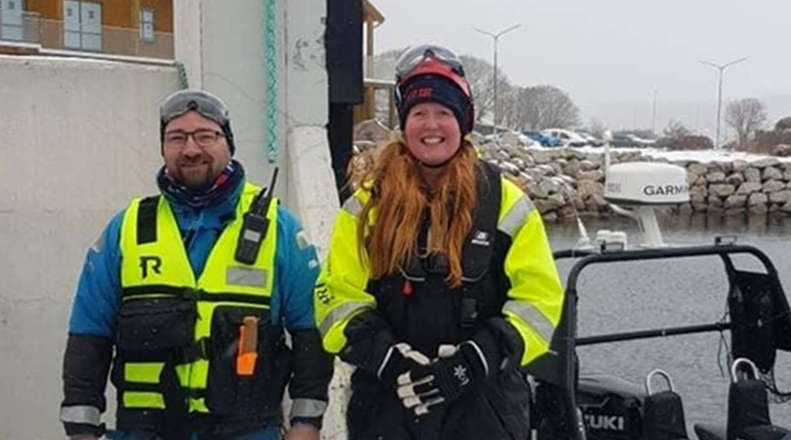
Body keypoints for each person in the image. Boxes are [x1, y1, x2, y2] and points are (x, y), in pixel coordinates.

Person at [314, 44, 564, 440]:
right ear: (403, 123)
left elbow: (540, 302)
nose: (431, 125)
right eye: (419, 113)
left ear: (464, 122)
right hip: (388, 407)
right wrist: (387, 360)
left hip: (485, 411)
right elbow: (337, 296)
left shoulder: (506, 203)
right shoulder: (365, 207)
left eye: (444, 113)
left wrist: (476, 359)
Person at [60, 90, 334, 440]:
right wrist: (82, 430)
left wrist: (305, 424)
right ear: (163, 148)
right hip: (145, 431)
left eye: (206, 135)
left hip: (248, 431)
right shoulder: (126, 229)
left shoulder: (279, 228)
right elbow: (89, 335)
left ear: (228, 143)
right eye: (177, 138)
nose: (191, 149)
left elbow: (312, 333)